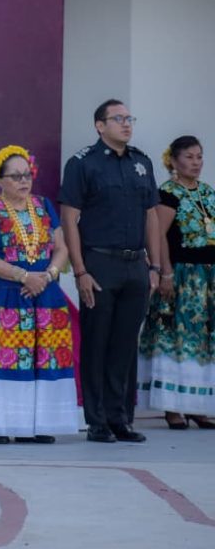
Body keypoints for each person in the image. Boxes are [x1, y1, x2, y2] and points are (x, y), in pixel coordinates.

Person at [0, 145, 79, 443]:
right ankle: (2, 425)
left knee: (42, 360)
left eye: (27, 175)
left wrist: (47, 276)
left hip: (45, 296)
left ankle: (35, 426)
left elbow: (61, 248)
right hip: (4, 297)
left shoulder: (44, 206)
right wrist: (24, 276)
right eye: (15, 176)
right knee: (7, 360)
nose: (23, 181)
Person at [60, 99, 160, 443]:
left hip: (136, 265)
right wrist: (80, 271)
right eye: (118, 119)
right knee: (97, 342)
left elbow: (151, 217)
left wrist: (156, 266)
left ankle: (121, 418)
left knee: (124, 345)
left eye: (129, 118)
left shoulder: (142, 163)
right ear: (100, 126)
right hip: (99, 262)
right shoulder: (82, 164)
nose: (126, 124)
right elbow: (69, 218)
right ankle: (97, 419)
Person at [138, 135, 215, 428]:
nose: (195, 163)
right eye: (189, 157)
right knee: (175, 337)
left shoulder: (208, 193)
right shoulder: (167, 195)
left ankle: (197, 405)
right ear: (173, 161)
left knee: (203, 340)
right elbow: (158, 236)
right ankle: (172, 407)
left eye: (199, 157)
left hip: (207, 278)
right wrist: (165, 271)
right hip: (182, 275)